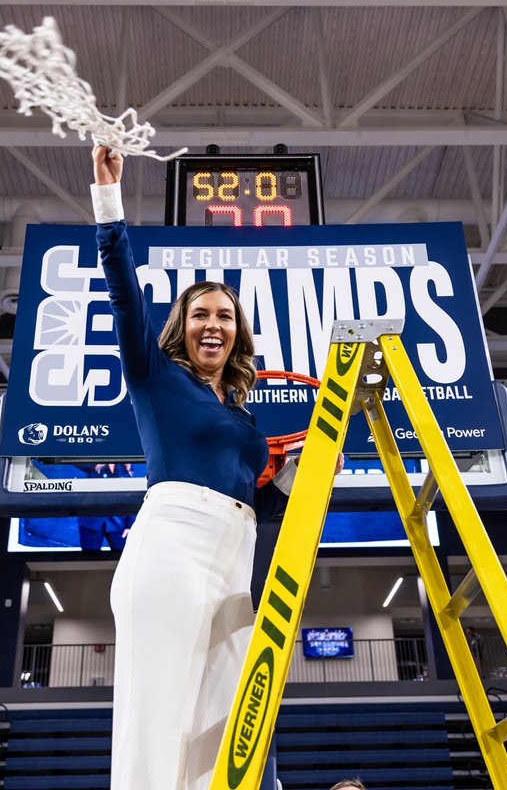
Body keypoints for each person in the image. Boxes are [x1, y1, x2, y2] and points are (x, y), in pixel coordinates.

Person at [91, 145, 338, 790]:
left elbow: (267, 498)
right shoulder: (156, 375)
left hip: (238, 555)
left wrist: (300, 476)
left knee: (231, 725)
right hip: (172, 544)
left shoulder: (244, 417)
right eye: (200, 313)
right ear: (182, 325)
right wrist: (110, 200)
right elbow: (122, 291)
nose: (213, 324)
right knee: (161, 716)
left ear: (237, 334)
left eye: (224, 316)